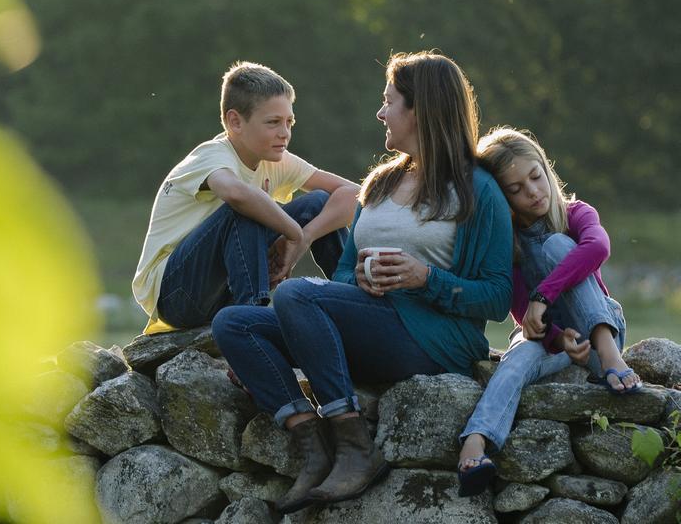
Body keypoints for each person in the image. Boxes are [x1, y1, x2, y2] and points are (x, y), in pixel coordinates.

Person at [213, 51, 512, 514]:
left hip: (432, 341)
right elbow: (341, 274)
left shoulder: (477, 189)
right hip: (372, 325)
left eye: (389, 101)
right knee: (235, 325)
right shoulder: (381, 183)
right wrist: (357, 280)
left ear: (421, 110)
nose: (381, 113)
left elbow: (496, 297)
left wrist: (425, 278)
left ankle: (355, 446)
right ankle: (314, 450)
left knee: (295, 292)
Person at [456, 127, 642, 497]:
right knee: (517, 357)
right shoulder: (507, 246)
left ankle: (610, 355)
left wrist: (545, 294)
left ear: (546, 168)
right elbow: (524, 313)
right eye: (515, 189)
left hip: (601, 329)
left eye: (536, 177)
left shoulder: (575, 214)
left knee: (559, 245)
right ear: (502, 198)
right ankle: (476, 442)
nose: (533, 192)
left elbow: (597, 248)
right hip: (550, 340)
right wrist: (557, 335)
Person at [132, 61, 359, 334]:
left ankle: (352, 305)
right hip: (176, 294)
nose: (285, 133)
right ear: (235, 121)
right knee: (244, 208)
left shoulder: (277, 159)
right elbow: (236, 194)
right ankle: (251, 327)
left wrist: (307, 235)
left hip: (222, 287)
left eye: (289, 122)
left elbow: (356, 196)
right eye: (273, 122)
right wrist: (293, 234)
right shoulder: (212, 155)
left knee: (319, 202)